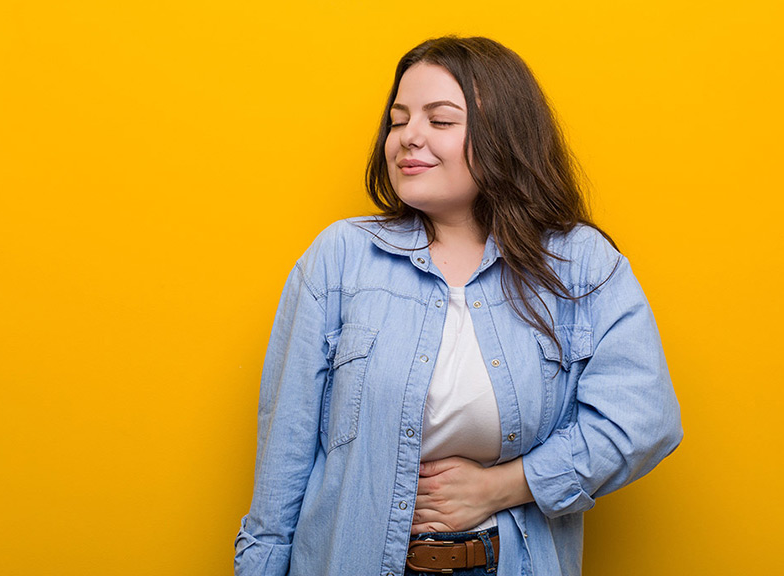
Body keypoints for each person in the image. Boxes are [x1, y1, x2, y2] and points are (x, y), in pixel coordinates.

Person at [234, 35, 682, 576]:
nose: (407, 138)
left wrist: (505, 486)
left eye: (439, 121)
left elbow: (642, 417)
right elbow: (285, 449)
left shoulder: (580, 264)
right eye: (398, 121)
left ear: (503, 136)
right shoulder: (341, 257)